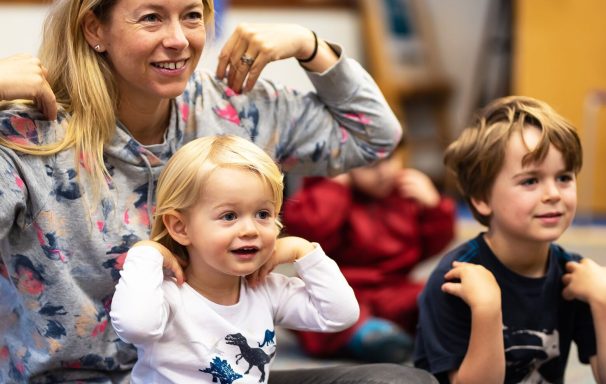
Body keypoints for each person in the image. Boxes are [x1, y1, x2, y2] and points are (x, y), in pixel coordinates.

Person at [0, 0, 443, 383]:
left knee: (398, 379)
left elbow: (375, 137)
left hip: (215, 372)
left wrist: (309, 45)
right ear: (95, 29)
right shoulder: (30, 134)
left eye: (191, 15)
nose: (178, 40)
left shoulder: (228, 108)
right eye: (151, 18)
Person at [110, 134, 360, 383]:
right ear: (181, 228)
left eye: (263, 214)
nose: (250, 230)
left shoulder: (266, 289)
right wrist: (147, 252)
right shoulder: (170, 294)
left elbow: (339, 314)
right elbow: (136, 327)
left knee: (389, 377)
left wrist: (304, 251)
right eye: (229, 216)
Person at [414, 96, 606, 383]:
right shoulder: (455, 279)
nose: (553, 193)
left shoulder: (574, 277)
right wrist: (487, 310)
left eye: (564, 177)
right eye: (530, 181)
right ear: (481, 198)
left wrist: (603, 301)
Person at [282, 146, 456, 363]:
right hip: (341, 290)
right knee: (317, 313)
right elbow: (310, 232)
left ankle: (411, 334)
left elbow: (431, 246)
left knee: (436, 294)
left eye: (390, 158)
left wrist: (434, 207)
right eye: (370, 165)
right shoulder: (329, 192)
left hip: (394, 288)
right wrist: (334, 188)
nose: (384, 171)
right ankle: (369, 337)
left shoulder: (404, 193)